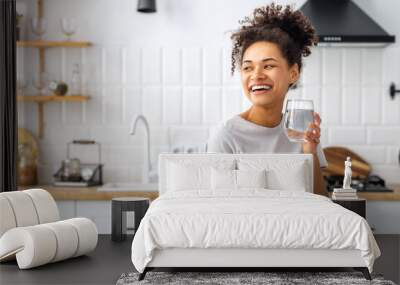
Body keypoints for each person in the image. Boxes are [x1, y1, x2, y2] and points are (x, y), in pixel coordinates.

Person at [206, 3, 328, 196]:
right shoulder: (227, 136)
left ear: (293, 73)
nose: (256, 75)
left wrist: (309, 152)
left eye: (268, 66)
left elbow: (321, 202)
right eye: (248, 68)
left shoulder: (301, 130)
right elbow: (220, 209)